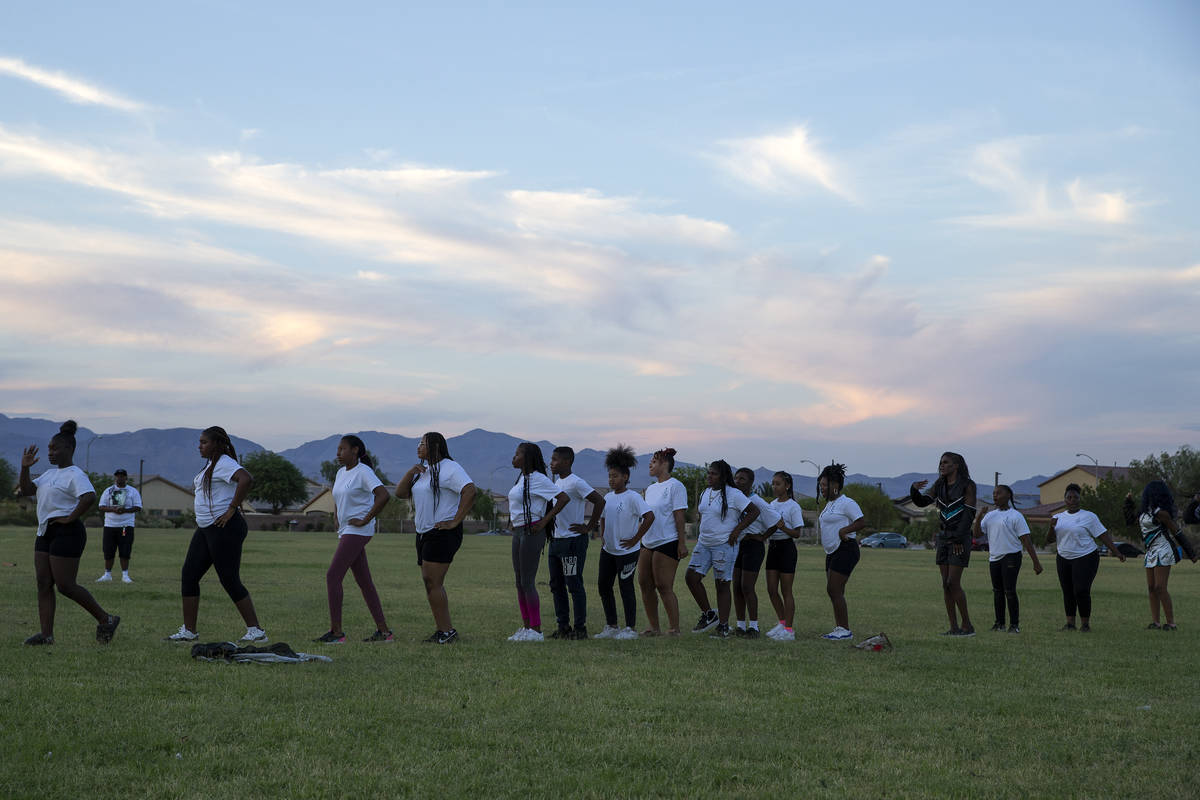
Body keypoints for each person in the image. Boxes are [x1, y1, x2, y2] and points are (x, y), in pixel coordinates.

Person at [18, 420, 120, 645]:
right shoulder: (47, 475)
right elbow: (26, 490)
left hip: (68, 532)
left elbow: (89, 496)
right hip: (45, 532)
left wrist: (70, 518)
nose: (51, 453)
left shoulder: (75, 474)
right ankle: (46, 635)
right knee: (43, 583)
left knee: (65, 585)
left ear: (69, 449)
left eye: (55, 449)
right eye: (49, 449)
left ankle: (106, 619)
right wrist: (24, 468)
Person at [166, 426, 266, 643]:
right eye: (200, 442)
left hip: (224, 528)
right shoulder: (211, 464)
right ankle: (189, 631)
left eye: (204, 442)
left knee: (229, 579)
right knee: (189, 575)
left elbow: (246, 479)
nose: (199, 446)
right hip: (206, 528)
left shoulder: (224, 463)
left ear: (217, 444)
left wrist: (231, 509)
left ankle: (256, 631)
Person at [396, 432, 476, 645]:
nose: (418, 447)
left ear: (435, 446)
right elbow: (400, 493)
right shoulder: (423, 472)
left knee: (434, 582)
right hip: (423, 533)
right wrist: (411, 471)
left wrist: (455, 521)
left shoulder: (451, 468)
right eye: (418, 443)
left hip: (442, 533)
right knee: (429, 583)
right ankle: (443, 630)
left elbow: (469, 490)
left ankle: (447, 631)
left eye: (422, 444)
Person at [313, 435, 393, 644]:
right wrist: (336, 516)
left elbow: (383, 495)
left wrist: (366, 518)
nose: (338, 453)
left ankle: (337, 633)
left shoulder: (364, 472)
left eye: (342, 449)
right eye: (337, 449)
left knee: (333, 576)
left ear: (355, 450)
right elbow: (338, 496)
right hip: (346, 529)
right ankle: (385, 633)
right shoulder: (341, 472)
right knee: (364, 582)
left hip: (359, 530)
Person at [685, 460, 760, 639]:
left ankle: (724, 627)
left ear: (723, 476)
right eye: (709, 472)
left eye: (714, 473)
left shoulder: (734, 494)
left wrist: (737, 530)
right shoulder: (705, 492)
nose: (709, 476)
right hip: (704, 543)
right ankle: (709, 614)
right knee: (691, 577)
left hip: (724, 545)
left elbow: (754, 511)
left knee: (722, 584)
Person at [505, 443, 568, 642]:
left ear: (528, 457)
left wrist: (543, 522)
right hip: (519, 531)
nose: (513, 457)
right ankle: (526, 628)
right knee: (519, 582)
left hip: (532, 531)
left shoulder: (539, 479)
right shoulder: (522, 478)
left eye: (517, 454)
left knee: (527, 581)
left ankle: (536, 630)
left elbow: (563, 498)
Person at [910, 452, 978, 636]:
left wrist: (957, 538)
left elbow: (969, 513)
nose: (941, 465)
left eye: (946, 462)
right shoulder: (940, 484)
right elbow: (924, 502)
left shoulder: (967, 485)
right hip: (944, 537)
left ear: (956, 465)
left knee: (952, 582)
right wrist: (914, 490)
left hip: (959, 538)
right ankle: (953, 627)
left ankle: (967, 626)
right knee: (945, 585)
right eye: (940, 462)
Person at [1045, 483, 1126, 632]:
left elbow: (1103, 535)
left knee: (1081, 590)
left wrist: (1116, 552)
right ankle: (1070, 624)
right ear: (1064, 500)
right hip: (1063, 557)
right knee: (1068, 591)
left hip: (1086, 557)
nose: (1072, 500)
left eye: (1075, 497)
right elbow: (1049, 540)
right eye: (1069, 497)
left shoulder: (1089, 516)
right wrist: (1051, 527)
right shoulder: (1057, 517)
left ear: (1079, 499)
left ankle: (1085, 624)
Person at [593, 445, 654, 640]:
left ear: (625, 477)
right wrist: (603, 535)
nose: (611, 479)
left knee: (626, 588)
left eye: (615, 476)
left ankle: (629, 628)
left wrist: (636, 539)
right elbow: (602, 516)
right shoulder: (607, 497)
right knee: (604, 586)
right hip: (608, 551)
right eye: (609, 476)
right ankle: (612, 625)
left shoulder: (633, 497)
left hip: (627, 552)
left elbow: (650, 516)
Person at [548, 446, 604, 640]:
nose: (551, 463)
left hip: (572, 542)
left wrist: (588, 527)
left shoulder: (576, 482)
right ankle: (563, 626)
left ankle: (580, 628)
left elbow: (599, 501)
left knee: (573, 583)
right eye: (551, 459)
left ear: (567, 462)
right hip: (556, 541)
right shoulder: (557, 482)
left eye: (555, 459)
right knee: (556, 584)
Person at [972, 485, 1042, 634]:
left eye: (999, 493)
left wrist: (1036, 562)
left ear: (1008, 496)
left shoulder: (1016, 516)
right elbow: (977, 535)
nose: (995, 496)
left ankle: (1014, 625)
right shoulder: (990, 516)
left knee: (1009, 590)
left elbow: (1026, 540)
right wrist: (979, 518)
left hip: (1011, 556)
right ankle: (999, 623)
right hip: (994, 558)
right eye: (994, 493)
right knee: (997, 591)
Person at [638, 447, 689, 636]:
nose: (650, 464)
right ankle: (654, 627)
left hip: (667, 540)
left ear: (665, 464)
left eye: (654, 461)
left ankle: (674, 628)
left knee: (663, 585)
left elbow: (679, 516)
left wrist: (681, 543)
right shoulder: (650, 489)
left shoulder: (676, 486)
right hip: (648, 541)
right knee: (644, 583)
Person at [1139, 480, 1196, 631]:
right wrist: (1127, 502)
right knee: (1151, 587)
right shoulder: (1145, 511)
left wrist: (1191, 553)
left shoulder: (1161, 513)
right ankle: (1156, 622)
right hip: (1150, 550)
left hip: (1163, 549)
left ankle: (1171, 623)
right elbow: (1130, 520)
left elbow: (1176, 532)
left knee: (1160, 587)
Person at [731, 467, 781, 638]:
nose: (738, 482)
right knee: (736, 586)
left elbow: (777, 521)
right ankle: (740, 625)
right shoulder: (737, 499)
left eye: (742, 479)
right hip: (739, 546)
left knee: (747, 586)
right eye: (736, 478)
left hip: (753, 546)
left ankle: (754, 626)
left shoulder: (758, 502)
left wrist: (762, 537)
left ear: (751, 483)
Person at [817, 463, 864, 641]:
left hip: (846, 549)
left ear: (835, 485)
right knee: (834, 591)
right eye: (820, 485)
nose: (821, 488)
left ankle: (844, 630)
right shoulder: (830, 504)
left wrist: (843, 531)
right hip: (832, 551)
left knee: (833, 589)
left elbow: (861, 522)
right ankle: (840, 628)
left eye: (824, 485)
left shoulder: (847, 503)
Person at [764, 471, 805, 641]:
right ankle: (782, 623)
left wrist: (782, 527)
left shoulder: (793, 506)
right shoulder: (771, 504)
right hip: (773, 548)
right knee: (772, 589)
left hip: (787, 548)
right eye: (773, 483)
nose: (774, 486)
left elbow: (797, 533)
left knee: (786, 590)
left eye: (778, 483)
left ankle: (789, 630)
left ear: (787, 486)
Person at [96, 468, 142, 584]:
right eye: (118, 476)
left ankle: (125, 575)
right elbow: (101, 506)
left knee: (125, 550)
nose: (120, 478)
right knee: (108, 550)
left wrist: (124, 510)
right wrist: (113, 509)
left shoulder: (132, 491)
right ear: (115, 477)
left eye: (122, 476)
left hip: (125, 526)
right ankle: (107, 574)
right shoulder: (109, 491)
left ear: (126, 478)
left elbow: (138, 507)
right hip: (110, 525)